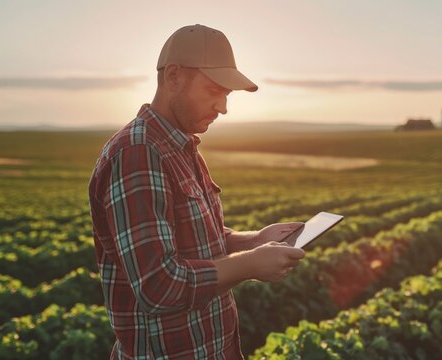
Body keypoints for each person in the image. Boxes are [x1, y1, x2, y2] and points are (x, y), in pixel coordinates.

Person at [88, 24, 306, 359]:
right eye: (214, 91)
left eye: (227, 96)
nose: (223, 108)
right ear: (173, 76)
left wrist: (253, 240)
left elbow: (193, 239)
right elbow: (158, 286)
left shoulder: (181, 147)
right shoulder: (139, 153)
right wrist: (249, 265)